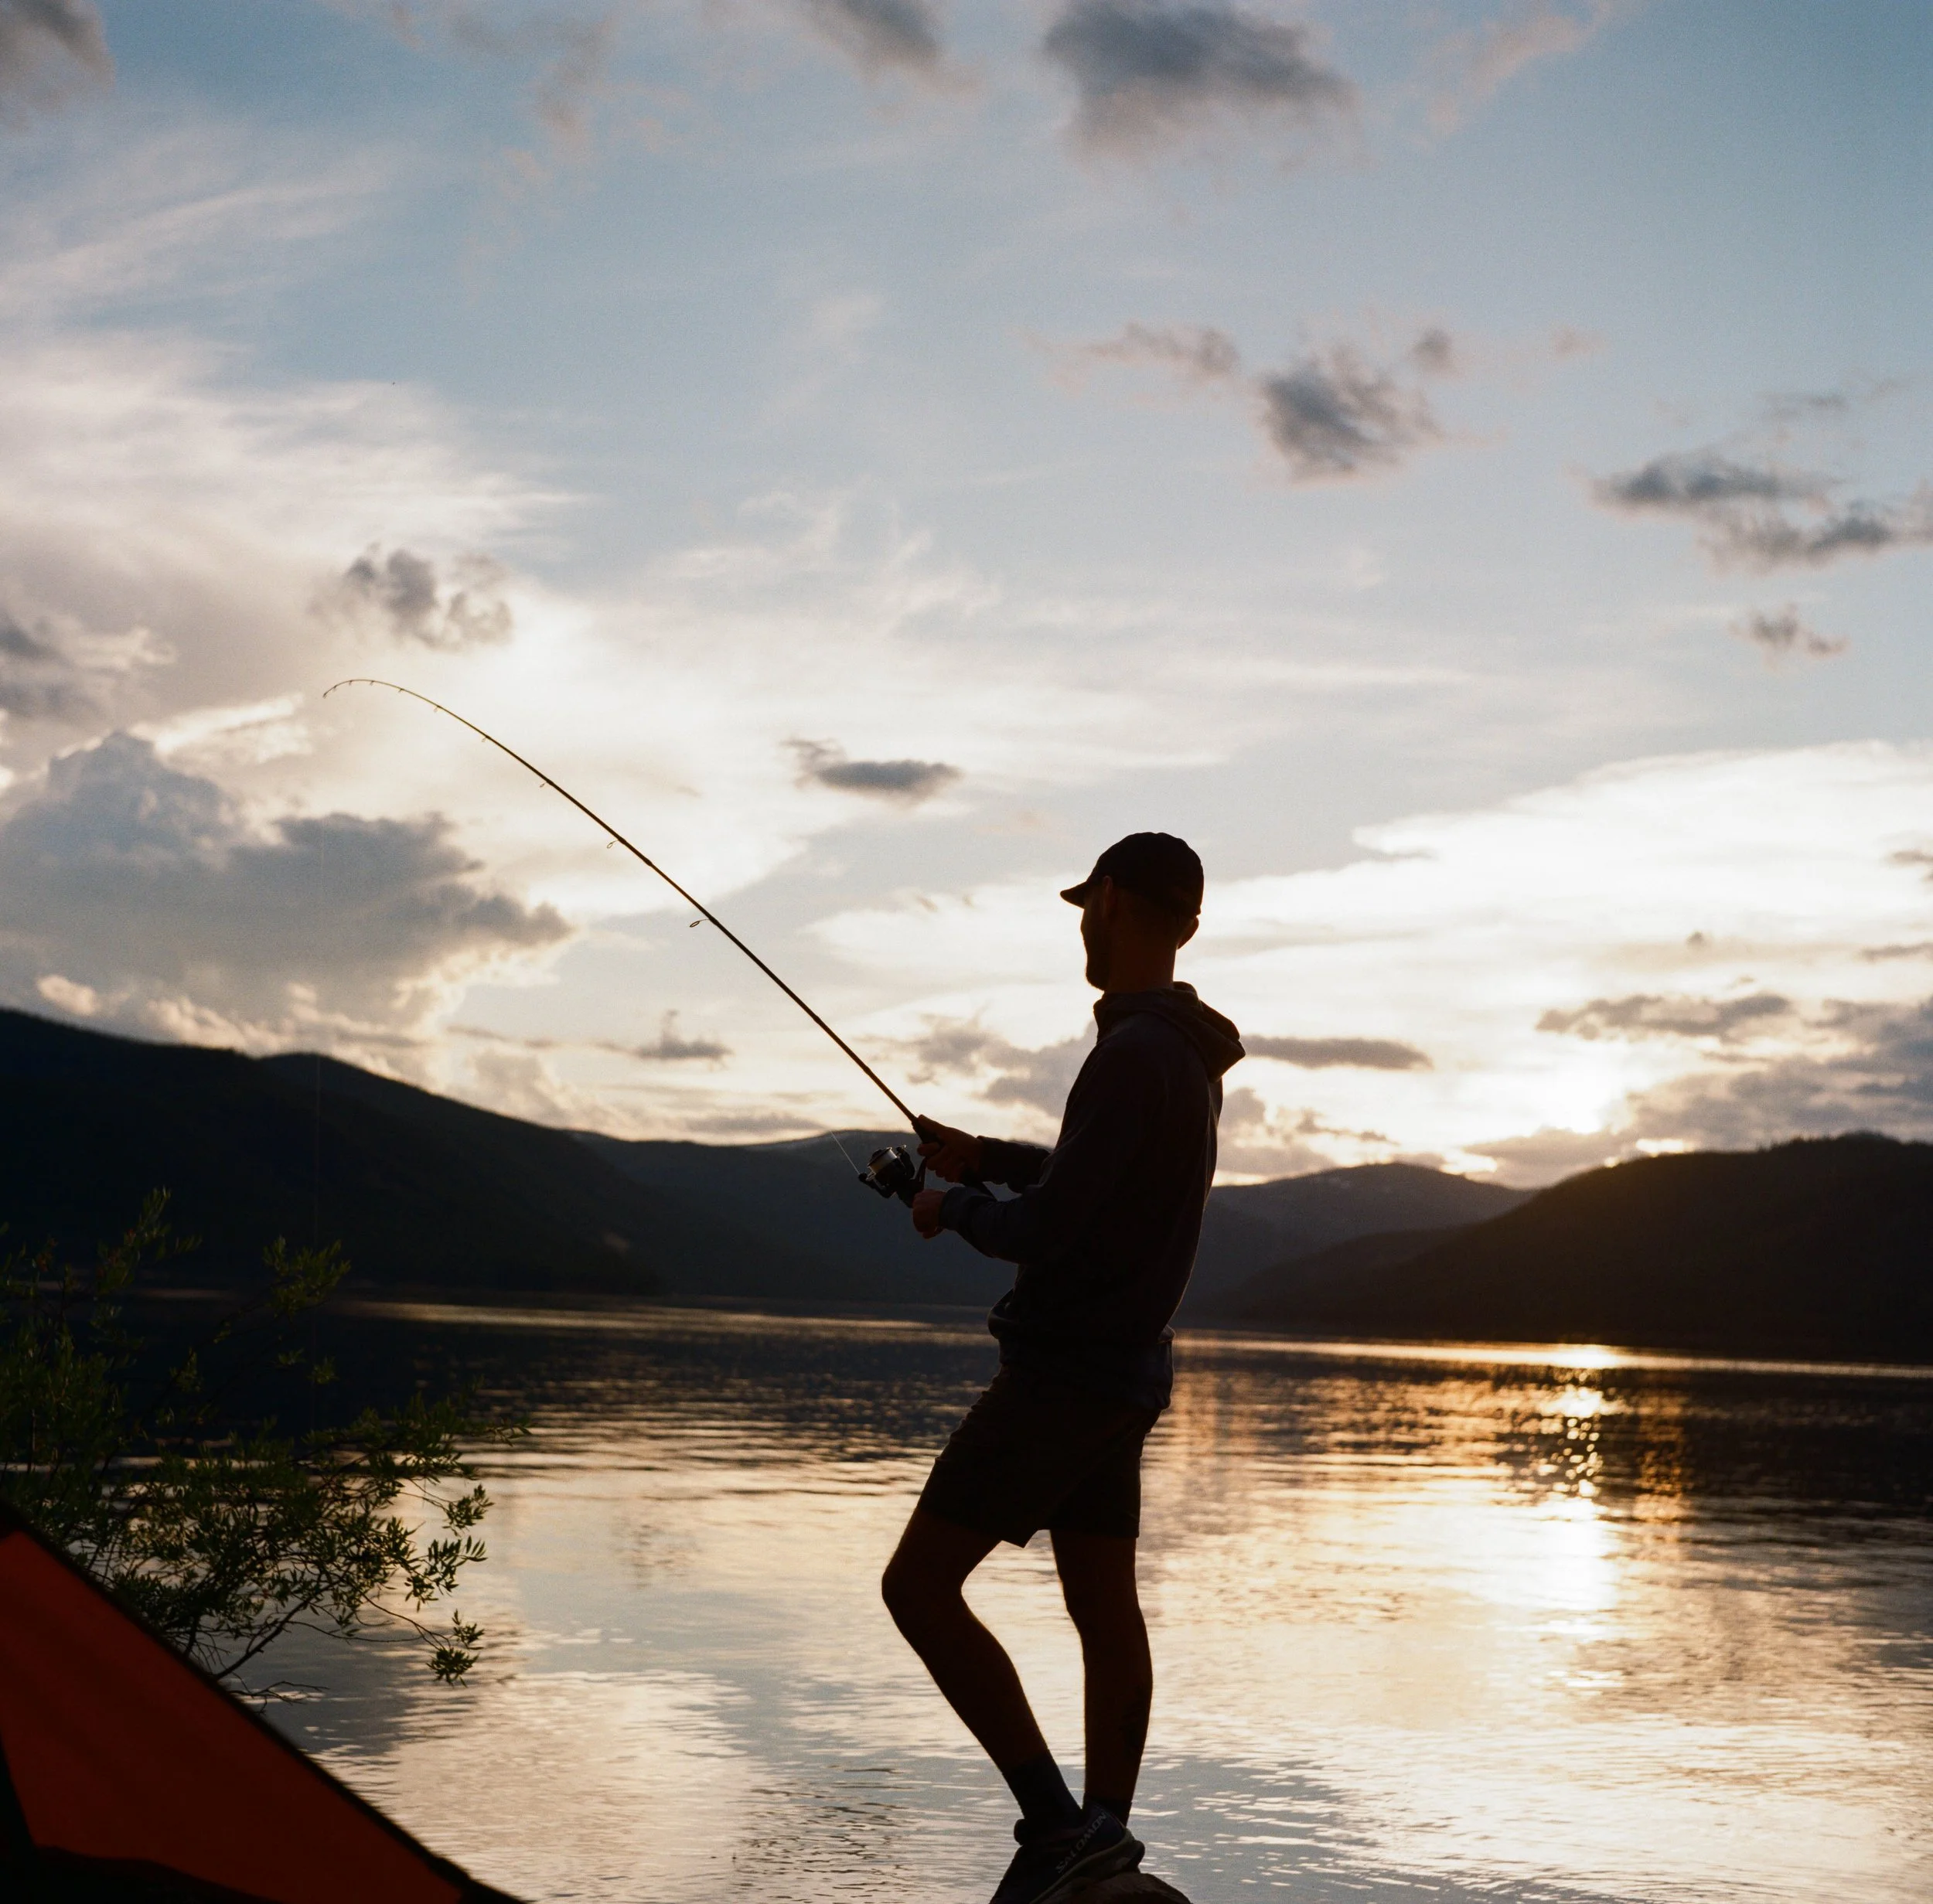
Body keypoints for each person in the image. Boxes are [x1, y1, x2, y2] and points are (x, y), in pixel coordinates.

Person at [881, 832, 1244, 1904]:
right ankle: (1107, 1835)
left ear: (1121, 905)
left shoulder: (1132, 1052)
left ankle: (1053, 1824)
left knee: (917, 1587)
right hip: (1124, 1377)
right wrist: (983, 1157)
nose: (1083, 923)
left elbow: (1053, 1226)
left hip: (1063, 1378)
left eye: (1091, 905)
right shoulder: (1181, 1059)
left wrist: (953, 1208)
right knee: (1104, 1606)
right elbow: (1092, 1179)